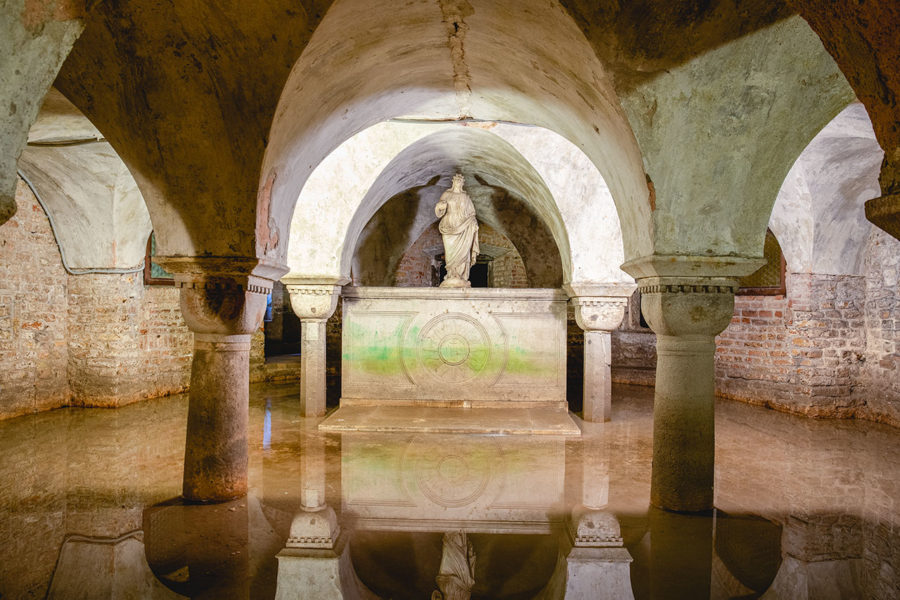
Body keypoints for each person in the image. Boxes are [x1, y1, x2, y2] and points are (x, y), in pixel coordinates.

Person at [436, 173, 479, 288]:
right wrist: (440, 207)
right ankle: (451, 274)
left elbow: (472, 213)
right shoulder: (447, 194)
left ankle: (461, 276)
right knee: (450, 253)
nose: (458, 182)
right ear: (453, 182)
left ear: (463, 183)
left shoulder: (466, 197)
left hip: (464, 227)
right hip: (449, 225)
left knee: (463, 253)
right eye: (457, 180)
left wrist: (473, 222)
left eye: (460, 181)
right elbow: (439, 211)